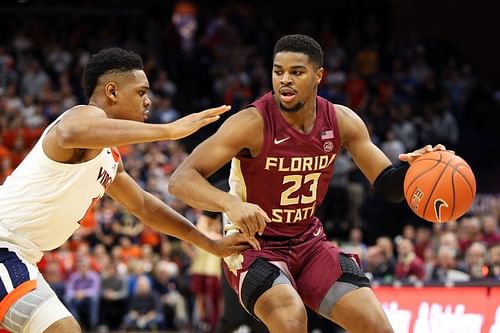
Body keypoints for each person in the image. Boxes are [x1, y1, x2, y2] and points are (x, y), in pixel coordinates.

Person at [169, 34, 447, 333]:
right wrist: (230, 203)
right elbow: (181, 180)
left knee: (376, 326)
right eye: (278, 72)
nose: (284, 80)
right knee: (291, 320)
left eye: (296, 72)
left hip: (308, 241)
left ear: (318, 75)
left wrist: (419, 168)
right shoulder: (251, 123)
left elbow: (390, 188)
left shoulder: (341, 121)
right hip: (254, 245)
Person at [0, 47, 250, 333]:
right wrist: (168, 131)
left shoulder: (108, 156)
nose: (148, 101)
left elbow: (144, 206)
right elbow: (70, 133)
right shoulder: (82, 115)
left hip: (22, 256)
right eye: (141, 92)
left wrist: (209, 244)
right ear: (112, 91)